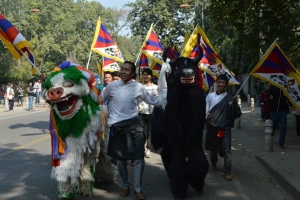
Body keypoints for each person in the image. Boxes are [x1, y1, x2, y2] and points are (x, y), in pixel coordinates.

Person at [101, 61, 160, 200]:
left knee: (139, 159)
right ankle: (125, 186)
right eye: (122, 69)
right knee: (120, 160)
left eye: (126, 70)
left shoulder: (138, 87)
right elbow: (99, 99)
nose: (123, 72)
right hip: (117, 128)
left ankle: (138, 189)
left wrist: (168, 102)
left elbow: (152, 100)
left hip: (134, 127)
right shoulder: (111, 86)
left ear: (132, 73)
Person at [205, 75, 241, 181]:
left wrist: (234, 104)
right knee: (213, 148)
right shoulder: (210, 96)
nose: (221, 84)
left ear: (226, 84)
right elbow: (206, 110)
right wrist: (206, 116)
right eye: (219, 82)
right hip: (212, 126)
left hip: (225, 127)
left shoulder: (230, 98)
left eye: (223, 82)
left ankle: (227, 171)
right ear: (216, 83)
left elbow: (235, 113)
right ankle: (213, 162)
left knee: (227, 150)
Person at [138, 68, 158, 158]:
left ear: (151, 76)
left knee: (150, 132)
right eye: (144, 74)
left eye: (147, 74)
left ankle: (148, 149)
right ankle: (141, 148)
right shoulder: (139, 87)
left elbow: (157, 99)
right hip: (141, 112)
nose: (146, 76)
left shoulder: (155, 87)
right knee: (141, 131)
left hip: (152, 113)